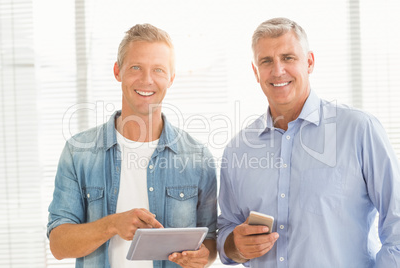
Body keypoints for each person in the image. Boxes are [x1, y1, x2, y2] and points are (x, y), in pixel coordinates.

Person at [217, 17, 400, 267]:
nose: (278, 70)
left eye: (288, 58)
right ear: (255, 72)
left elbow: (397, 223)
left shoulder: (358, 130)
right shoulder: (238, 149)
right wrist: (236, 246)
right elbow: (227, 229)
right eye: (266, 61)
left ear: (309, 62)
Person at [47, 23, 217, 268]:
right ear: (118, 71)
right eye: (136, 67)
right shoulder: (78, 152)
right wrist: (112, 224)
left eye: (158, 70)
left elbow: (210, 241)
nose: (147, 80)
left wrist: (204, 256)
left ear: (171, 78)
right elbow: (58, 245)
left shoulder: (198, 157)